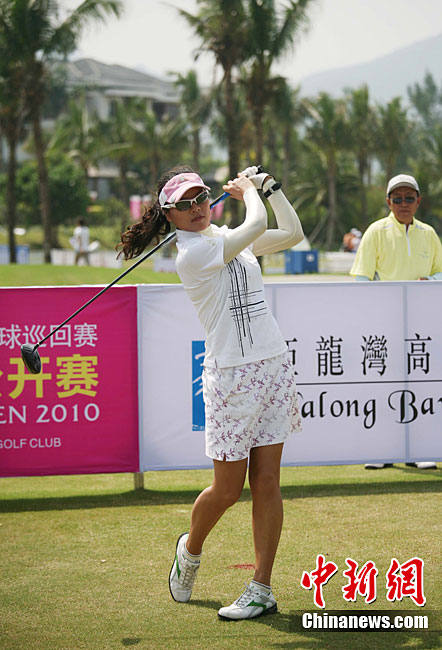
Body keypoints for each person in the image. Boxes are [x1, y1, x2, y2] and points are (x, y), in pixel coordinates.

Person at [118, 165, 304, 620]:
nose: (197, 207)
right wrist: (248, 191)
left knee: (267, 482)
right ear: (169, 215)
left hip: (273, 365)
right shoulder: (192, 255)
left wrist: (270, 188)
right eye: (184, 204)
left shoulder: (225, 239)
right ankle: (191, 549)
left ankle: (261, 588)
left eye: (200, 196)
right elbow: (255, 225)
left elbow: (292, 233)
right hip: (232, 377)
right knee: (227, 489)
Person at [350, 173, 442, 470]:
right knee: (382, 384)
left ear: (418, 201)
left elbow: (440, 272)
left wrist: (430, 280)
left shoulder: (428, 233)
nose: (404, 203)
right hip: (383, 324)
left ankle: (416, 450)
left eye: (409, 198)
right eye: (398, 198)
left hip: (421, 326)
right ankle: (381, 450)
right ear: (388, 202)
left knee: (418, 384)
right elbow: (362, 278)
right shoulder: (376, 231)